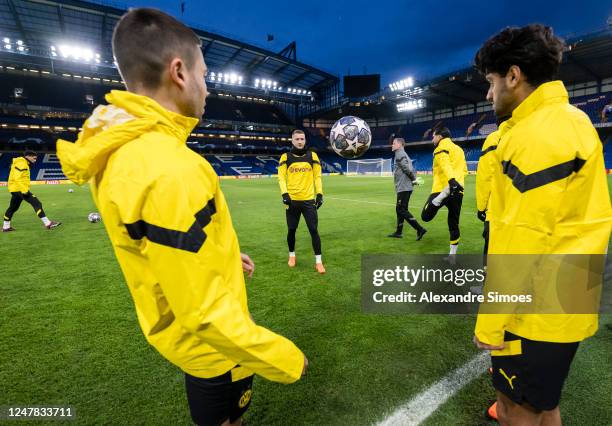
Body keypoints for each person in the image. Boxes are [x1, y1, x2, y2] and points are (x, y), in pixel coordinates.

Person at [57, 9, 307, 426]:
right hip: (212, 351)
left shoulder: (123, 149)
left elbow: (165, 248)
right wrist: (285, 359)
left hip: (183, 336)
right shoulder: (170, 168)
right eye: (204, 75)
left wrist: (225, 258)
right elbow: (205, 315)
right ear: (178, 72)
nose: (207, 88)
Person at [473, 24, 611, 424]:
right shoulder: (572, 120)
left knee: (516, 410)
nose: (489, 93)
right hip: (566, 298)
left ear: (513, 76)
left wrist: (491, 321)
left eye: (492, 81)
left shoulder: (537, 135)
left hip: (537, 308)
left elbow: (522, 237)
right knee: (544, 405)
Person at [277, 130, 325, 274]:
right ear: (292, 140)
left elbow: (317, 177)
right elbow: (281, 177)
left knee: (313, 230)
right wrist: (284, 194)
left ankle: (319, 262)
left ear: (305, 140)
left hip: (309, 201)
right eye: (297, 139)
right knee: (291, 230)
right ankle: (292, 256)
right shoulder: (285, 157)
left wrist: (320, 194)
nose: (299, 141)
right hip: (291, 202)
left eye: (302, 139)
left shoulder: (312, 156)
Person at [420, 127, 467, 255]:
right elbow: (464, 170)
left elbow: (444, 163)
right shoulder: (460, 150)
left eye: (433, 136)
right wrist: (458, 183)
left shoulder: (439, 148)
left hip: (442, 188)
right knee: (453, 222)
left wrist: (451, 181)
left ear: (440, 136)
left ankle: (439, 198)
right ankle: (452, 256)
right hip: (459, 190)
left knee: (425, 216)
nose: (432, 138)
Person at [475, 116, 508, 264]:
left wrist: (481, 207)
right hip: (526, 208)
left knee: (492, 246)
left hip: (497, 207)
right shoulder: (530, 135)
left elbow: (485, 176)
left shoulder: (494, 138)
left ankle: (487, 284)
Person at [3, 150, 61, 232]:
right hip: (20, 189)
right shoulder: (21, 164)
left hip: (15, 189)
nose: (35, 160)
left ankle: (6, 227)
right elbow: (17, 178)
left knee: (13, 208)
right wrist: (24, 191)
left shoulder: (22, 163)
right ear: (28, 157)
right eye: (34, 158)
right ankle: (48, 223)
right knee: (37, 203)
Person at [387, 135, 427, 240]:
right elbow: (410, 168)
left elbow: (406, 169)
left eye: (394, 143)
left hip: (404, 186)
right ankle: (399, 232)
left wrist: (413, 180)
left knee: (401, 209)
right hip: (405, 186)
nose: (392, 144)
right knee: (400, 209)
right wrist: (413, 181)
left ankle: (420, 229)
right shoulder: (404, 154)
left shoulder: (399, 153)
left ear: (400, 144)